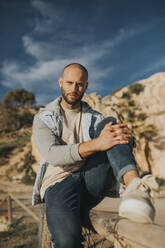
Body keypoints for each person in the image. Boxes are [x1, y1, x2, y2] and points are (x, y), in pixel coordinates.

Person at [32, 63, 158, 248]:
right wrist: (98, 143)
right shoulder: (43, 118)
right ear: (60, 82)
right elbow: (53, 155)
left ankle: (135, 189)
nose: (74, 89)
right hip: (58, 183)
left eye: (80, 84)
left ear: (86, 86)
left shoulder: (95, 118)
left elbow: (112, 143)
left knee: (110, 123)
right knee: (66, 241)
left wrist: (128, 140)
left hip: (91, 177)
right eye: (69, 83)